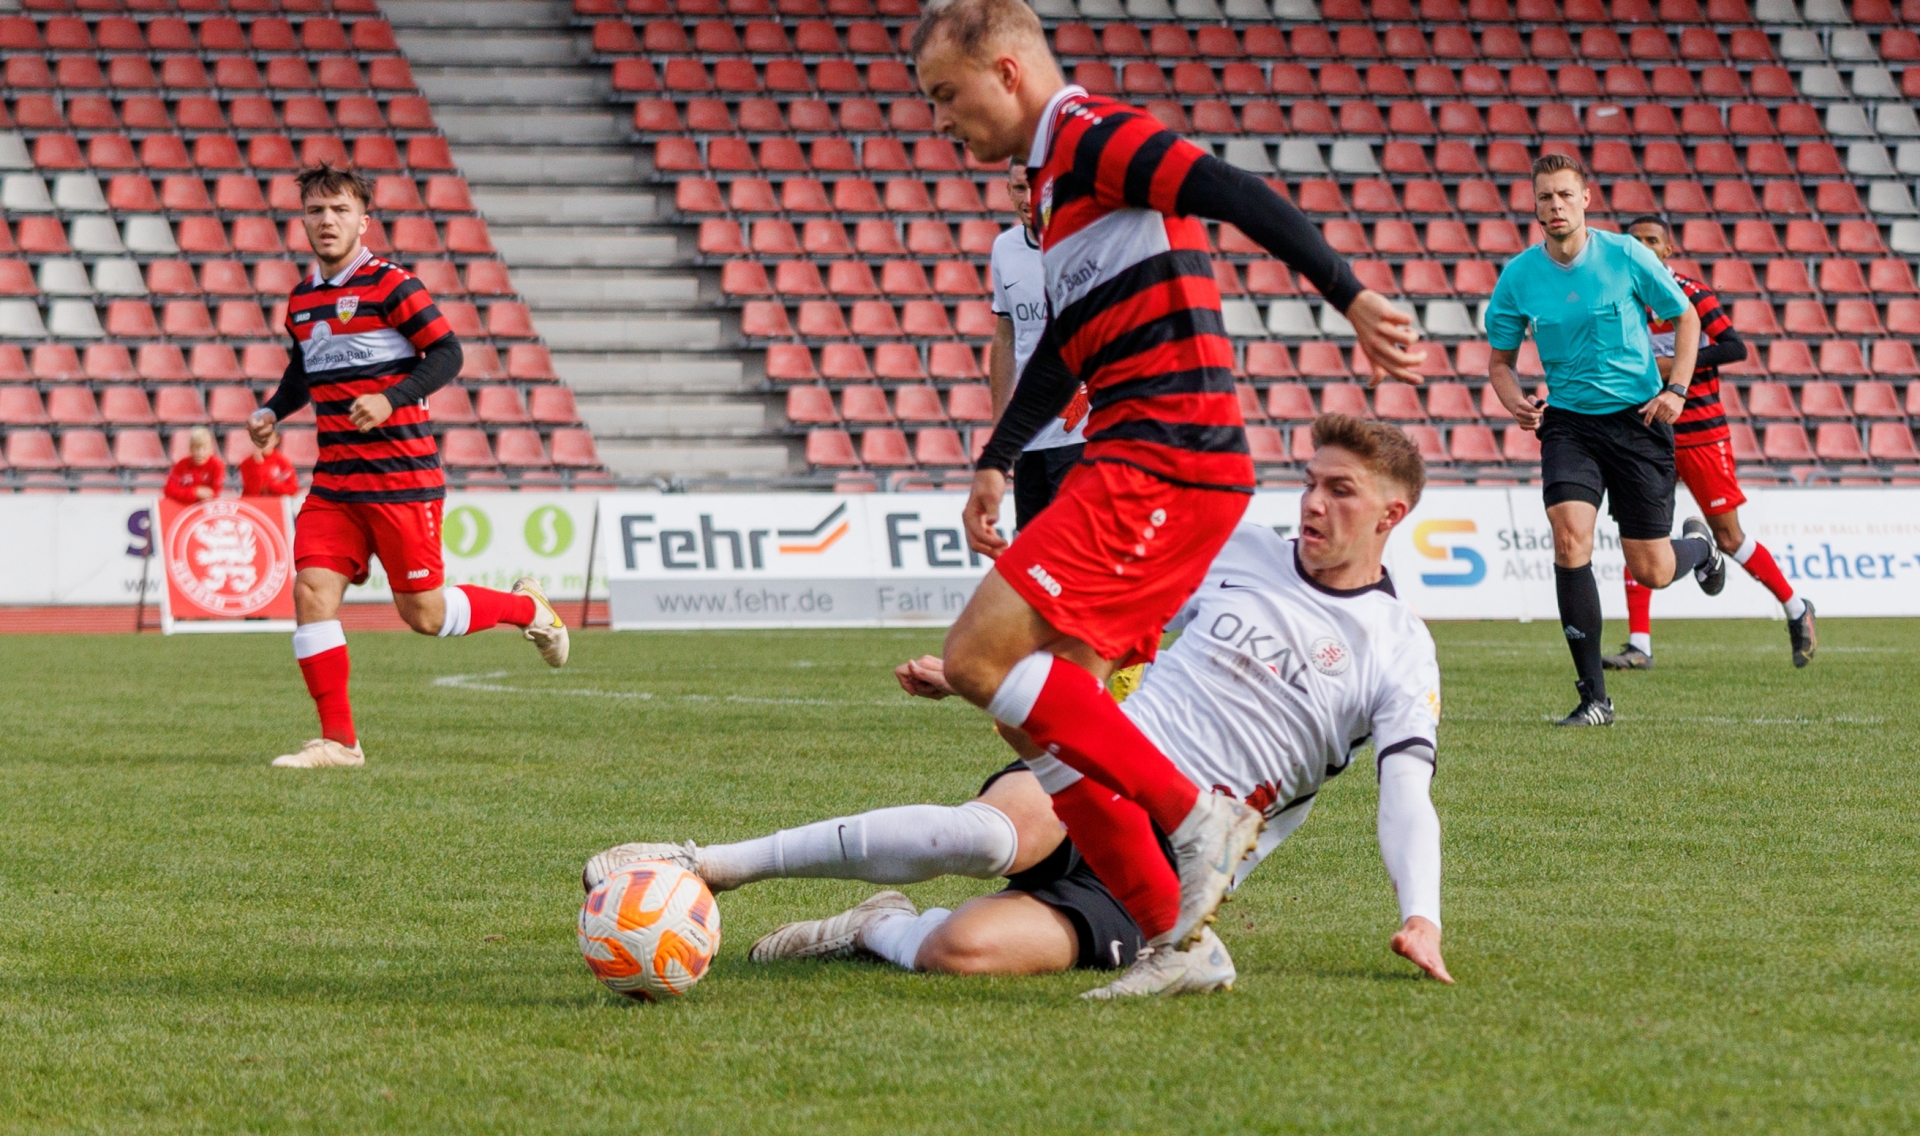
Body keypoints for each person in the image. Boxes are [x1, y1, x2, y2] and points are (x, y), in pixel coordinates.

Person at [908, 0, 1424, 983]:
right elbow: (1066, 345)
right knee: (1038, 708)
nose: (941, 120)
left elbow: (1228, 188)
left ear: (1006, 72)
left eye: (945, 94)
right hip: (1140, 452)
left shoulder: (1091, 134)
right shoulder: (1053, 187)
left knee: (976, 658)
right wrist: (997, 457)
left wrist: (1351, 295)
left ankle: (1198, 816)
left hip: (1165, 453)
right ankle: (1173, 939)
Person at [586, 417, 1449, 997]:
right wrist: (1007, 676)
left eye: (1340, 490)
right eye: (1310, 482)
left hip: (1179, 872)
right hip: (1105, 760)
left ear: (1391, 513)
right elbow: (1110, 624)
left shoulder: (1400, 648)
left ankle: (878, 926)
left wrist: (1421, 915)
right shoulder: (1239, 550)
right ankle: (709, 863)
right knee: (986, 835)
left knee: (961, 953)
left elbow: (1405, 796)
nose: (1313, 503)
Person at [246, 162, 570, 770]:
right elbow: (304, 371)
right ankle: (340, 743)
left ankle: (529, 609)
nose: (327, 221)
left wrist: (391, 398)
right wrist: (272, 410)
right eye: (316, 211)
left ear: (363, 221)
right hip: (336, 483)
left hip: (402, 478)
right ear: (303, 221)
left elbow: (448, 353)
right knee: (311, 591)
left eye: (340, 210)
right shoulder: (302, 299)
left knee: (425, 615)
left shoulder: (393, 285)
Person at [1487, 155, 1727, 729]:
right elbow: (1499, 362)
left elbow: (1687, 318)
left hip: (1638, 421)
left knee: (1652, 569)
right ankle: (1595, 698)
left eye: (1565, 195)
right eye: (1545, 197)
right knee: (1570, 539)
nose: (1556, 206)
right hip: (1568, 423)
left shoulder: (1626, 255)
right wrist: (1514, 399)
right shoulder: (1519, 276)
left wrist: (1677, 389)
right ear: (1535, 206)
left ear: (1586, 199)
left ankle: (1701, 548)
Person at [1603, 217, 1816, 671]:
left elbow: (1734, 347)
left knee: (1729, 536)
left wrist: (1676, 364)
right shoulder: (1619, 300)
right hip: (1647, 432)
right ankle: (1639, 645)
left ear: (1668, 249)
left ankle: (1797, 608)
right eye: (1636, 241)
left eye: (1652, 240)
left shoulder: (1692, 294)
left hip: (1701, 432)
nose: (1644, 246)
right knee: (1639, 534)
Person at [989, 157, 1087, 527]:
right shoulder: (1004, 248)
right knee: (1030, 543)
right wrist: (1001, 429)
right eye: (1019, 188)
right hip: (1029, 433)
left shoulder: (1081, 244)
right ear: (1008, 191)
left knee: (1072, 541)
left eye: (1035, 187)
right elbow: (1006, 335)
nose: (1027, 197)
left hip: (1080, 431)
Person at [163, 426, 224, 503]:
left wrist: (183, 492)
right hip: (183, 507)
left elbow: (214, 494)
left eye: (204, 449)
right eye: (196, 448)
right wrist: (195, 492)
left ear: (211, 449)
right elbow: (168, 490)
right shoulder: (181, 464)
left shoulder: (217, 465)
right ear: (190, 448)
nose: (200, 453)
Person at [239, 424, 300, 497]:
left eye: (268, 438)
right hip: (253, 503)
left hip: (274, 503)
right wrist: (259, 464)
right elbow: (252, 492)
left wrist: (270, 485)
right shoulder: (246, 463)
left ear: (276, 439)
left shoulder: (283, 462)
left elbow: (292, 489)